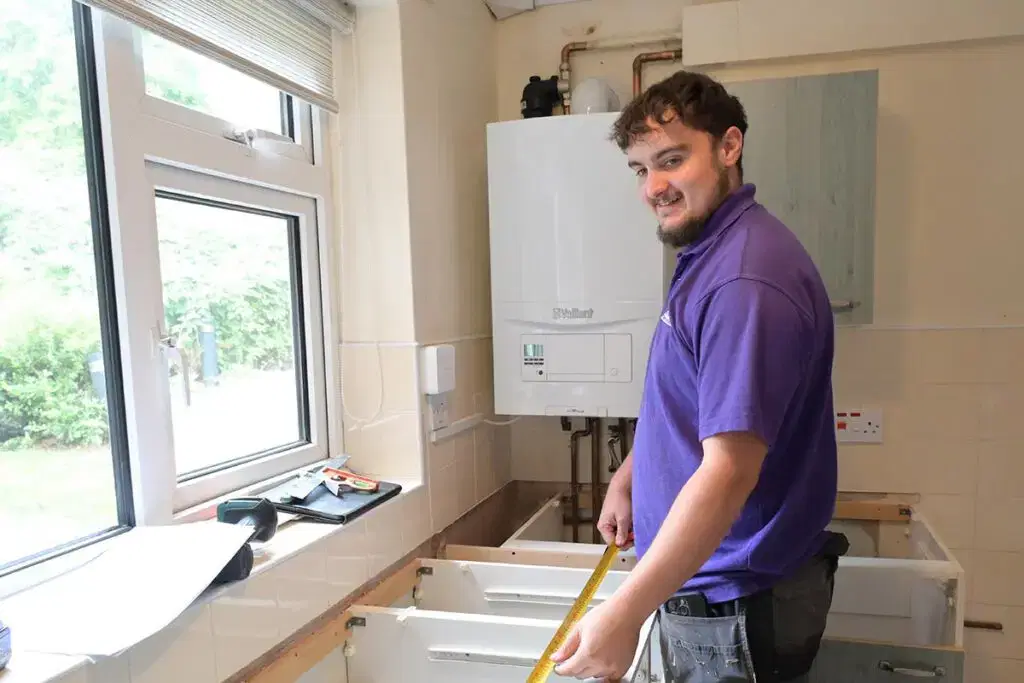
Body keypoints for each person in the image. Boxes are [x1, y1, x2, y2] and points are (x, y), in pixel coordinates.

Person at [549, 70, 848, 682]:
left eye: (672, 160)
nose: (653, 187)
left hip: (733, 603)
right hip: (712, 588)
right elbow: (691, 406)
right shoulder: (714, 253)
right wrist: (632, 477)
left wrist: (625, 613)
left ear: (729, 146)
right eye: (640, 169)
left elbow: (729, 470)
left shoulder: (744, 279)